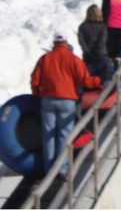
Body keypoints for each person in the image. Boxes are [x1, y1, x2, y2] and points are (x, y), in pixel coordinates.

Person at [30, 33, 102, 178]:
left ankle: (49, 170)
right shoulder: (74, 59)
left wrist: (38, 94)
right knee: (64, 135)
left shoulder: (45, 59)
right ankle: (62, 169)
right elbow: (85, 81)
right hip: (68, 100)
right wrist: (99, 81)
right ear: (66, 43)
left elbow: (35, 80)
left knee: (48, 135)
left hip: (48, 99)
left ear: (54, 43)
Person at [77, 5, 111, 81]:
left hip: (88, 56)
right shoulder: (103, 26)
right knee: (104, 77)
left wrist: (88, 51)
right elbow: (102, 41)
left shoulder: (82, 27)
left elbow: (82, 42)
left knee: (89, 78)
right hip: (101, 53)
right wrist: (97, 51)